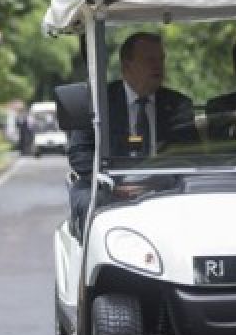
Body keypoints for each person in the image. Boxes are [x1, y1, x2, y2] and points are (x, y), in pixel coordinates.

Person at [66, 32, 199, 234]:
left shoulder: (178, 105)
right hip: (107, 185)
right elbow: (79, 153)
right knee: (89, 203)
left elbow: (188, 153)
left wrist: (155, 183)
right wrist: (112, 184)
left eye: (161, 59)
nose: (158, 66)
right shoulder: (98, 102)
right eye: (150, 60)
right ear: (126, 65)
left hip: (164, 185)